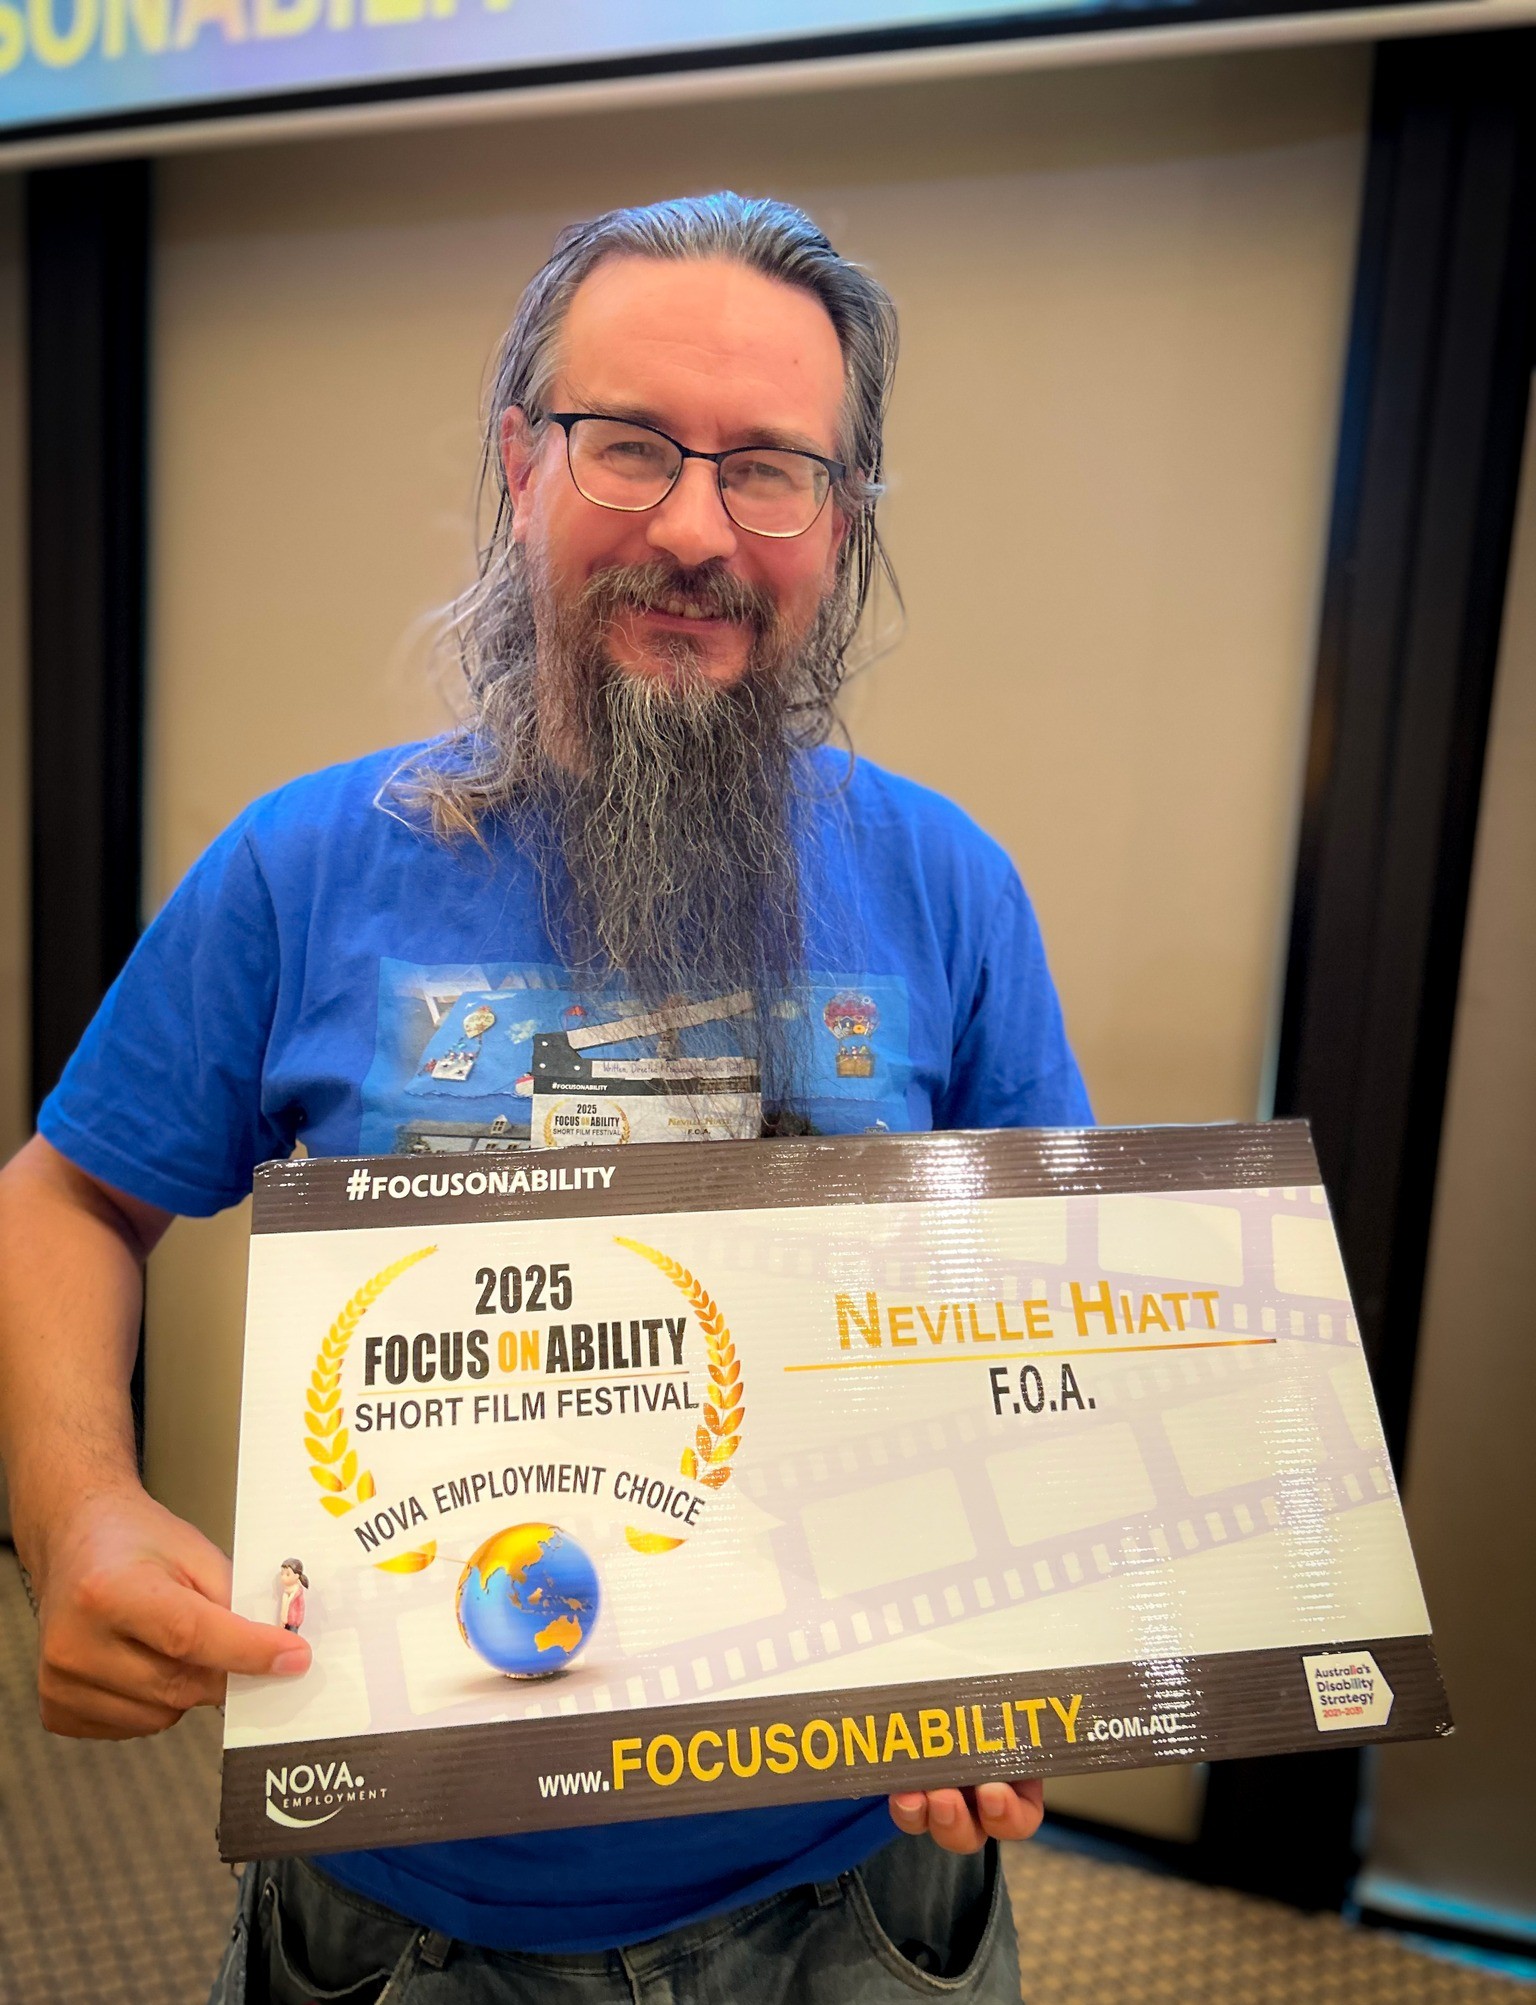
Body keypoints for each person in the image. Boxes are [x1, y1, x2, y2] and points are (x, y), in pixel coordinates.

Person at [0, 193, 1092, 2002]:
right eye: (630, 445)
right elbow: (68, 1193)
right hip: (403, 1906)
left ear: (839, 523)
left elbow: (1055, 1310)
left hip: (859, 1897)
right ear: (522, 464)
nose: (696, 529)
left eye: (770, 470)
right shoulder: (301, 866)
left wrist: (1041, 1614)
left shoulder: (951, 887)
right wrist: (76, 1506)